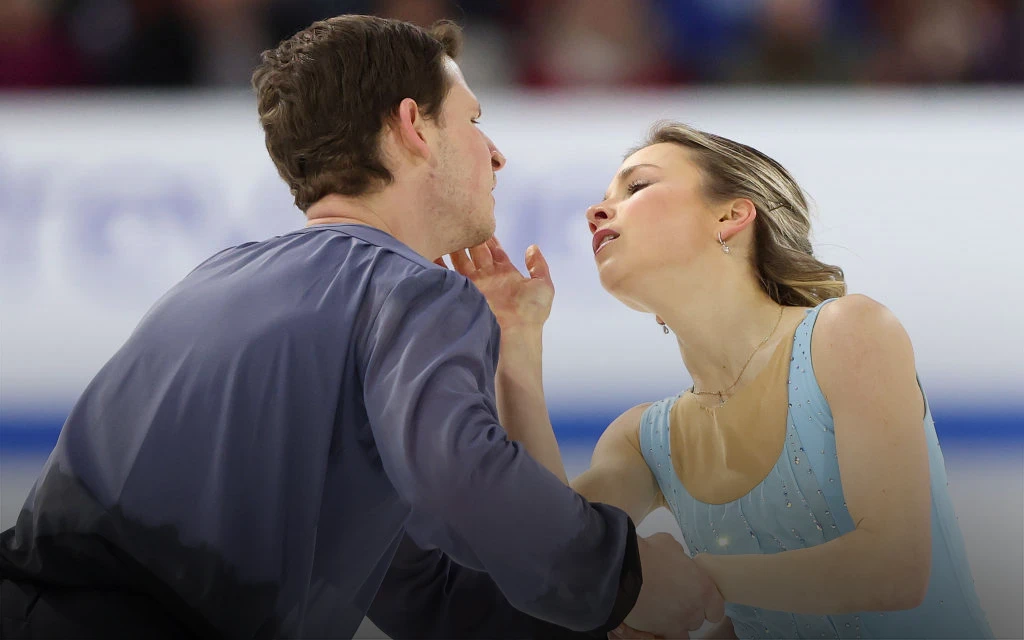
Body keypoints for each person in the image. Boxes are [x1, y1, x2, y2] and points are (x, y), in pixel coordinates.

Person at [0, 17, 725, 639]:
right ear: (414, 128)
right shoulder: (409, 293)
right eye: (472, 121)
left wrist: (593, 615)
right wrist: (625, 576)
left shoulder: (226, 279)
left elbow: (417, 583)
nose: (496, 153)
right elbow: (460, 482)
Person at [452, 122, 994, 639]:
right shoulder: (644, 440)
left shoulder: (847, 332)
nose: (595, 211)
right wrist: (516, 344)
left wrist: (682, 580)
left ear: (731, 216)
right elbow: (556, 555)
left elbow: (893, 570)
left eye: (637, 186)